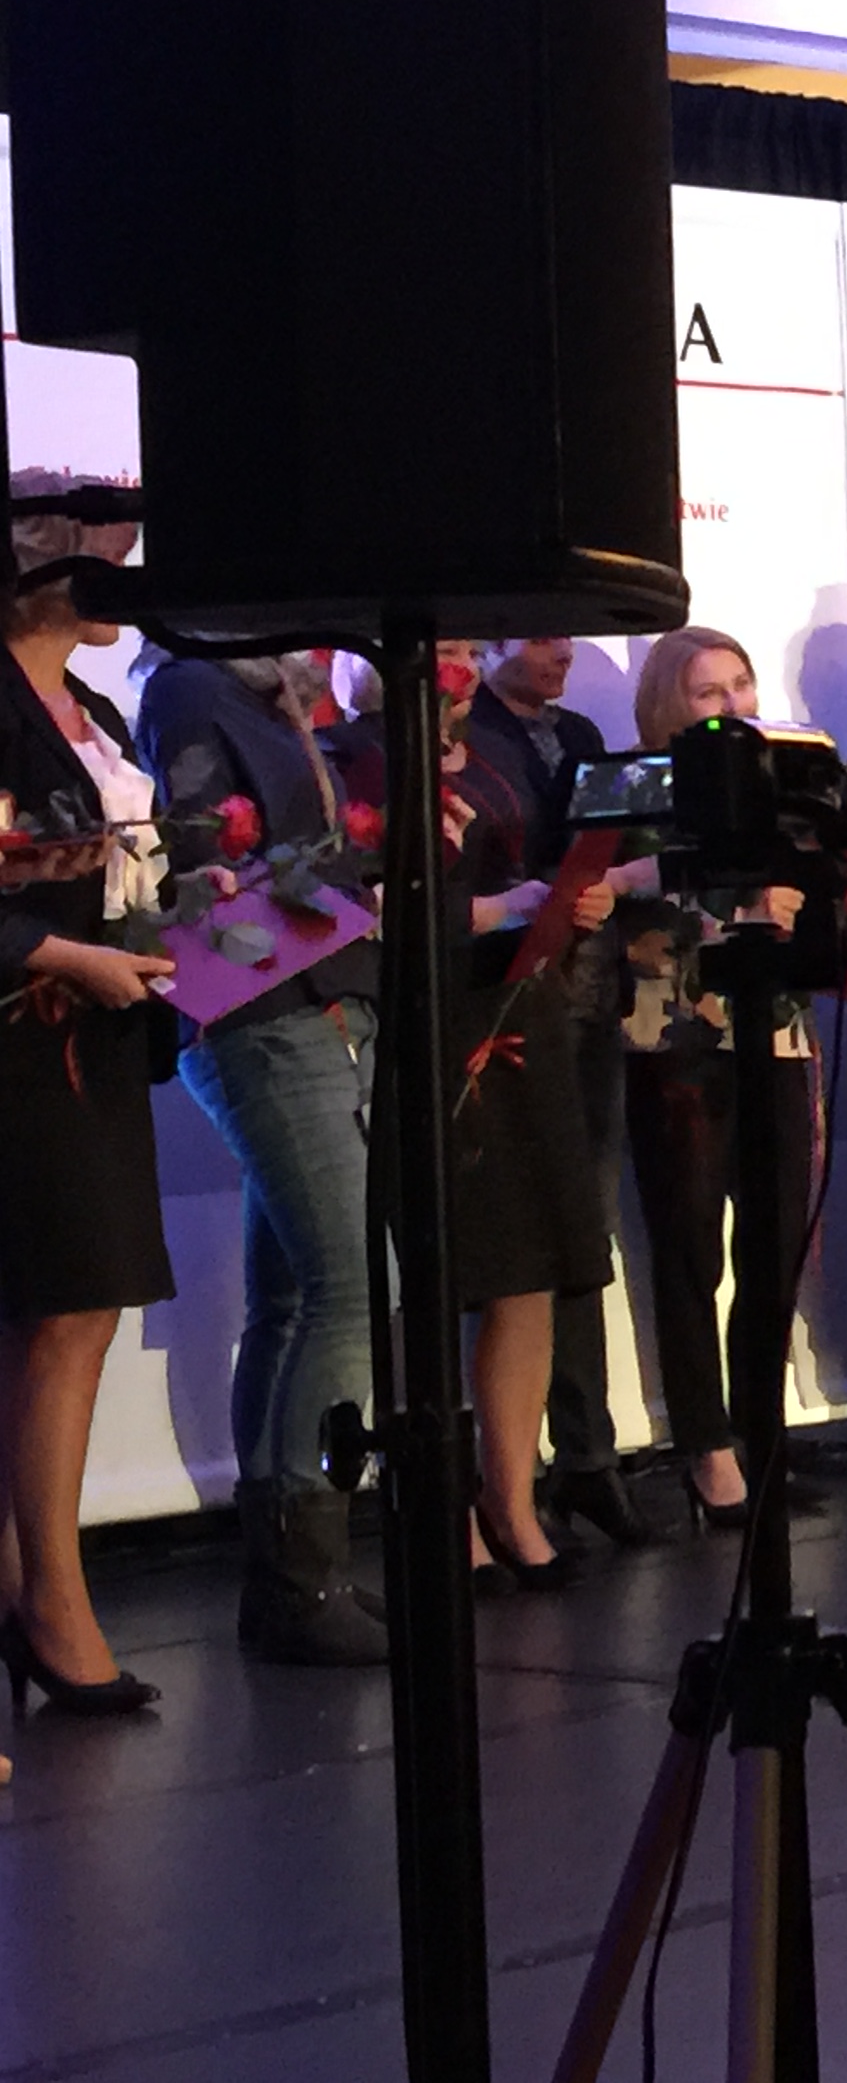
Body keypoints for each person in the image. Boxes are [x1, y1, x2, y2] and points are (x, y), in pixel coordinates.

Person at [327, 647, 620, 1593]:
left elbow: (529, 869)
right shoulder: (352, 756)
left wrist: (573, 897)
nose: (449, 663)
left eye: (460, 648)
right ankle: (445, 1509)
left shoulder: (491, 752)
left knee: (529, 1267)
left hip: (519, 1010)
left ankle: (513, 1500)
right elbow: (358, 901)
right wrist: (499, 907)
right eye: (439, 648)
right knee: (440, 1274)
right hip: (424, 1022)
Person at [138, 648, 389, 1665]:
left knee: (294, 1299)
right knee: (351, 1287)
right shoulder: (193, 687)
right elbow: (204, 867)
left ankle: (294, 1574)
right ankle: (300, 1573)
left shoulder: (272, 693)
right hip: (264, 1006)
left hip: (314, 995)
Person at [1, 476, 172, 1717]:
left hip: (98, 1038)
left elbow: (125, 869)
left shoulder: (97, 707)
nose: (128, 582)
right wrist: (69, 955)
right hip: (26, 1039)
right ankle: (55, 1609)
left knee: (73, 1316)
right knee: (61, 1315)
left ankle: (26, 1591)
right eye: (107, 561)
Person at [619, 626, 820, 1530]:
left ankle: (763, 1434)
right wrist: (736, 911)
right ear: (670, 703)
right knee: (690, 1249)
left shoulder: (779, 788)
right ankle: (706, 1448)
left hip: (773, 1031)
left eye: (742, 684)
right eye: (710, 692)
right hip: (676, 1035)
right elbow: (630, 904)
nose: (734, 704)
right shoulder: (641, 788)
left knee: (774, 1246)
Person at [470, 636, 654, 1551]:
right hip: (500, 1007)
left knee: (584, 1237)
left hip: (584, 1001)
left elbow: (616, 848)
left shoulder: (579, 734)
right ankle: (510, 1477)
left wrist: (612, 882)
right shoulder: (460, 734)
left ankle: (588, 1455)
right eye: (537, 636)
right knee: (513, 1250)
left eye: (564, 637)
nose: (560, 654)